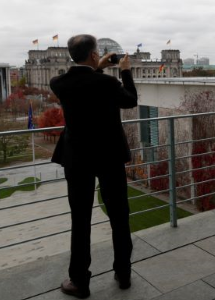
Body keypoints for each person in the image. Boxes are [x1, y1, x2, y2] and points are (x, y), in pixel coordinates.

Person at [50, 34, 137, 298]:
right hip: (109, 156)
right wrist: (125, 72)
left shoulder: (60, 83)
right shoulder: (109, 83)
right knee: (120, 217)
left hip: (77, 159)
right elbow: (131, 99)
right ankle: (123, 274)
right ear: (93, 55)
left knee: (81, 220)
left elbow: (80, 79)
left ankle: (80, 281)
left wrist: (95, 66)